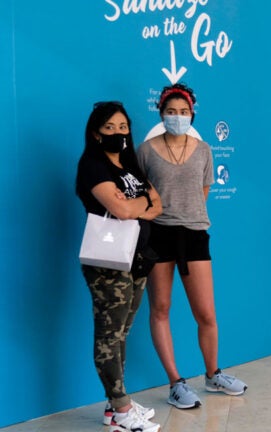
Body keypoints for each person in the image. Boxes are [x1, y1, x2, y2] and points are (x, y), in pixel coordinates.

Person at [137, 83, 247, 410]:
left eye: (183, 112)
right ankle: (175, 382)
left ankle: (213, 374)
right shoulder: (145, 151)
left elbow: (203, 192)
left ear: (192, 114)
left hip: (195, 235)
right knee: (160, 308)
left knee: (206, 313)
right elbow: (140, 194)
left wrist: (187, 216)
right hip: (157, 235)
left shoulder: (203, 150)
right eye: (171, 112)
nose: (177, 117)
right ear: (161, 113)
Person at [75, 101, 163, 432]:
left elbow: (159, 204)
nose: (117, 133)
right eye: (109, 127)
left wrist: (136, 204)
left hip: (137, 259)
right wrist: (140, 204)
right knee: (108, 336)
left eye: (122, 127)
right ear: (96, 133)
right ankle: (123, 410)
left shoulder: (130, 164)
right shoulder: (92, 166)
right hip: (108, 263)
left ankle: (116, 405)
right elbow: (123, 210)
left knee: (123, 332)